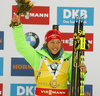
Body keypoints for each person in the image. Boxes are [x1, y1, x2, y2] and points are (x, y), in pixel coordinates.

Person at [11, 14, 87, 96]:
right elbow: (22, 47)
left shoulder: (67, 60)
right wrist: (17, 27)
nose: (55, 46)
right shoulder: (38, 57)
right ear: (46, 44)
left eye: (58, 42)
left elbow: (75, 84)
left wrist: (83, 73)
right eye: (52, 42)